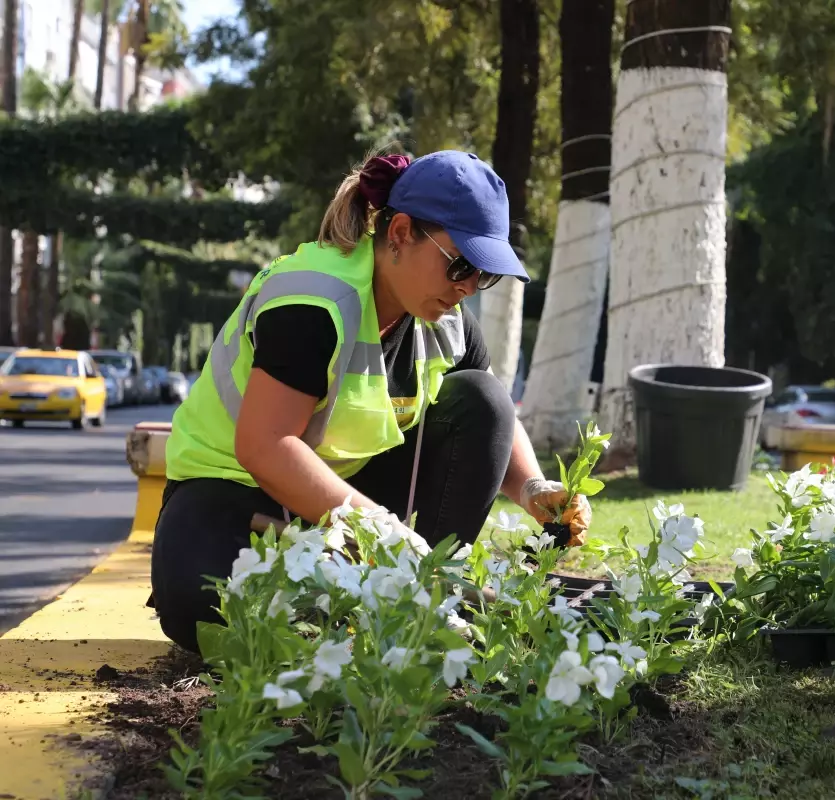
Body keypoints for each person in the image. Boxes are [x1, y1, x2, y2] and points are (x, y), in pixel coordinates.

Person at [150, 150, 592, 653]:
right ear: (401, 233)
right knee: (200, 604)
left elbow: (494, 419)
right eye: (462, 265)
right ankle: (406, 599)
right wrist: (378, 528)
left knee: (482, 397)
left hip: (340, 498)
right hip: (233, 489)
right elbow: (265, 446)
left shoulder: (446, 316)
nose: (468, 288)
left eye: (484, 275)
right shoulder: (312, 301)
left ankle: (425, 596)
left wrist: (534, 488)